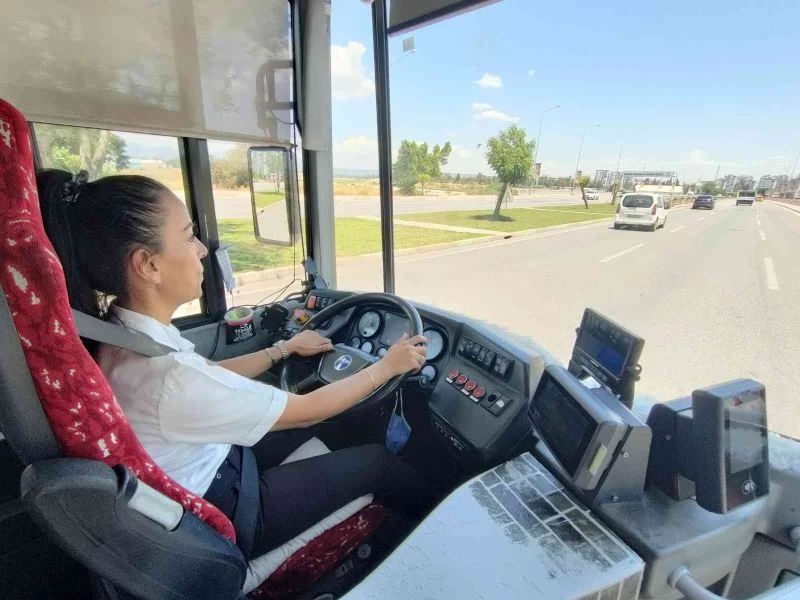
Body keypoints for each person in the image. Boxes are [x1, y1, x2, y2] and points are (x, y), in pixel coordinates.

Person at [36, 169, 436, 558]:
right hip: (233, 513)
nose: (202, 250)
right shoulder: (165, 376)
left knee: (337, 423)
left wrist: (284, 349)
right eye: (189, 236)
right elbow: (304, 412)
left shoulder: (126, 335)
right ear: (148, 265)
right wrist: (386, 366)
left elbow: (208, 375)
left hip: (218, 461)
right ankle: (437, 528)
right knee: (377, 463)